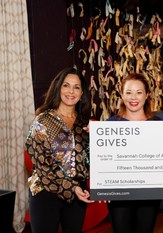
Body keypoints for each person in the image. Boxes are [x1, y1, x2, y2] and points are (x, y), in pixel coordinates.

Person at [24, 67, 93, 233]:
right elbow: (42, 163)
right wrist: (72, 187)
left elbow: (93, 161)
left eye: (76, 87)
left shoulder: (85, 123)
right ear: (58, 88)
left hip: (78, 195)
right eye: (66, 85)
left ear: (82, 92)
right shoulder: (43, 120)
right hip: (45, 190)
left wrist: (97, 138)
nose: (71, 91)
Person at [106, 73, 163, 233]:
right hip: (119, 193)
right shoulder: (110, 124)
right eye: (129, 92)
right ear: (121, 94)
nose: (134, 97)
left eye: (139, 92)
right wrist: (103, 185)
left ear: (147, 95)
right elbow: (103, 160)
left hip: (149, 192)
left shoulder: (160, 123)